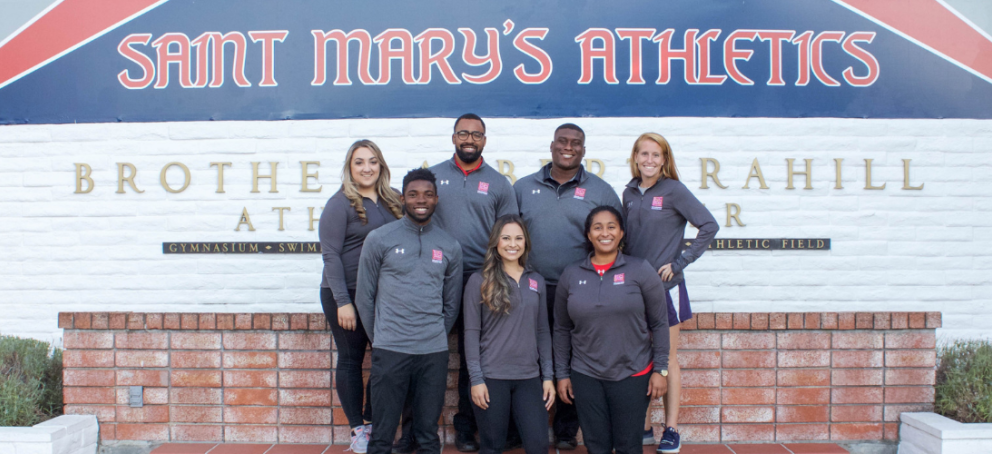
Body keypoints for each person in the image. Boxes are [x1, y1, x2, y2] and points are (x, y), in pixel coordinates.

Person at [513, 123, 623, 450]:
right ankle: (523, 426)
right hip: (529, 287)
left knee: (574, 359)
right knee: (526, 357)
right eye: (563, 141)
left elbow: (616, 241)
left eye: (576, 143)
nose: (569, 147)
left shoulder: (601, 191)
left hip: (580, 290)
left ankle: (565, 429)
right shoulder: (522, 187)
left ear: (584, 150)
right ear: (551, 146)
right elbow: (508, 236)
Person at [355, 168, 463, 454]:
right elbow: (365, 297)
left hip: (432, 352)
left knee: (427, 435)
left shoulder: (450, 245)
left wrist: (435, 334)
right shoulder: (379, 239)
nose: (421, 200)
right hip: (390, 348)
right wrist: (381, 338)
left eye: (428, 194)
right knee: (382, 434)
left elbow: (451, 303)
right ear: (403, 198)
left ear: (436, 199)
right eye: (413, 194)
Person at [622, 133, 719, 454]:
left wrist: (681, 262)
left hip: (666, 289)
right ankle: (645, 427)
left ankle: (672, 429)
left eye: (656, 155)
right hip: (634, 289)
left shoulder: (674, 190)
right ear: (635, 157)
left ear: (665, 160)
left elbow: (709, 225)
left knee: (669, 359)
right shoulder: (630, 192)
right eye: (644, 154)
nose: (649, 160)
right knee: (642, 359)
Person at [429, 113, 520, 452]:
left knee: (474, 358)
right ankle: (416, 430)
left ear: (485, 140)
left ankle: (468, 429)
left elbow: (510, 234)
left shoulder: (498, 184)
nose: (469, 139)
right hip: (435, 279)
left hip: (482, 280)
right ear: (454, 137)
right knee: (428, 353)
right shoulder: (434, 177)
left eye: (476, 134)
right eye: (463, 133)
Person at [554, 206, 670, 454]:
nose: (604, 233)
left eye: (611, 227)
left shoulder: (640, 270)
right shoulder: (571, 274)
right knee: (596, 446)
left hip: (632, 374)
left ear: (621, 233)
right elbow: (562, 329)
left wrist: (661, 369)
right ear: (588, 235)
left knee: (629, 446)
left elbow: (660, 323)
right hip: (586, 375)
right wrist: (562, 374)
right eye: (597, 227)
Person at [318, 139, 403, 453]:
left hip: (383, 294)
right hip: (346, 292)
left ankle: (371, 419)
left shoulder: (393, 200)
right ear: (349, 168)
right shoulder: (339, 204)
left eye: (372, 161)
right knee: (351, 359)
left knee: (387, 359)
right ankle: (358, 430)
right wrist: (343, 301)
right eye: (359, 162)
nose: (366, 168)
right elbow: (331, 256)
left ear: (381, 165)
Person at [463, 215, 554, 454]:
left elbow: (543, 331)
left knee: (539, 446)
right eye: (506, 238)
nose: (512, 244)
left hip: (529, 378)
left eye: (518, 238)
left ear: (526, 242)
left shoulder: (536, 281)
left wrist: (548, 376)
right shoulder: (479, 280)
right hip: (492, 378)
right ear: (495, 242)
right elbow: (471, 333)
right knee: (492, 447)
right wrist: (477, 379)